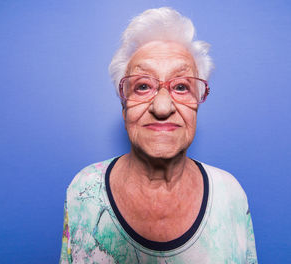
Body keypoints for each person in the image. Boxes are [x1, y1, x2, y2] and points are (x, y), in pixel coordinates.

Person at [59, 7, 257, 264]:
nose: (162, 107)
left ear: (198, 102)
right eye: (142, 86)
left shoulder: (230, 194)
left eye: (181, 86)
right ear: (124, 105)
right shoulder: (84, 191)